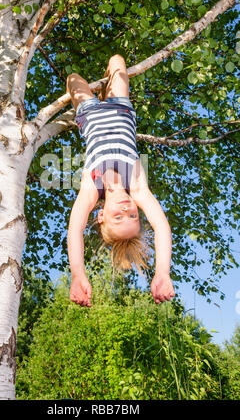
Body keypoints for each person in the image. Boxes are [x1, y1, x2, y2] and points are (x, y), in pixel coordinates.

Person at [66, 54, 175, 307]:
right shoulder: (137, 186)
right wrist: (162, 272)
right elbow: (161, 226)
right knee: (117, 61)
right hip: (120, 106)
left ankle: (98, 91)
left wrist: (78, 273)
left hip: (89, 113)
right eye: (134, 217)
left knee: (73, 77)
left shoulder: (92, 189)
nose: (127, 210)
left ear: (101, 215)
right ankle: (107, 85)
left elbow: (75, 230)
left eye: (118, 217)